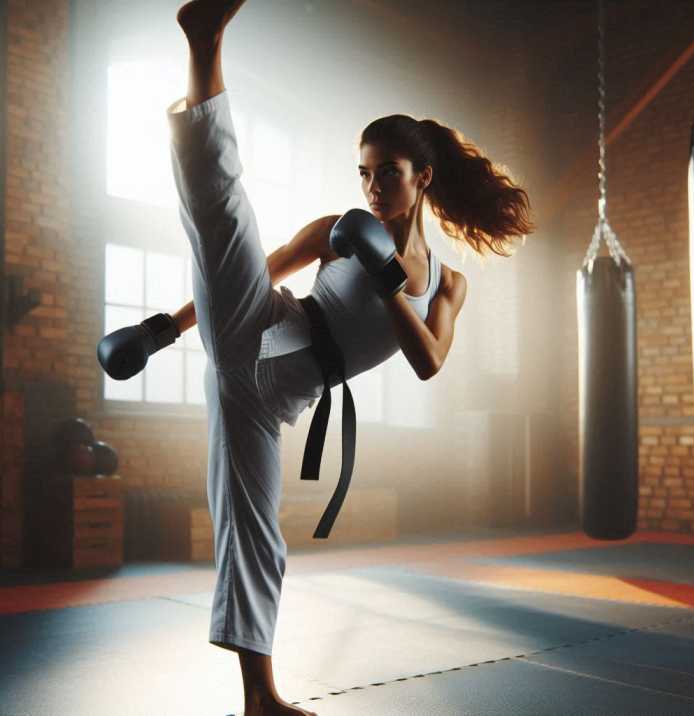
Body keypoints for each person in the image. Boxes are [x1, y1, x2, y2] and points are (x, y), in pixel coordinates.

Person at [98, 1, 536, 712]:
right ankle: (204, 40)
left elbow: (428, 362)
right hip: (260, 324)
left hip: (270, 401)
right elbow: (251, 265)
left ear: (422, 176)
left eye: (385, 173)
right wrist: (160, 332)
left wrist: (388, 277)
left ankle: (258, 701)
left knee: (256, 538)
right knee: (224, 215)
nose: (370, 188)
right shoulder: (340, 227)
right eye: (363, 173)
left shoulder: (447, 286)